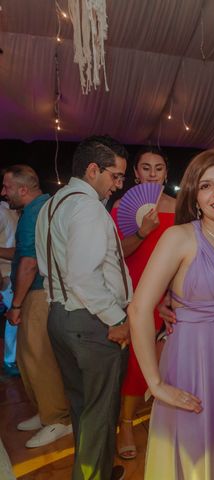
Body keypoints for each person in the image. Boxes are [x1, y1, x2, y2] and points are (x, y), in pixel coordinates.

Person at [128, 149, 214, 479]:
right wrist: (156, 384)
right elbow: (138, 310)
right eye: (206, 186)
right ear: (194, 196)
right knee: (193, 459)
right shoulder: (179, 238)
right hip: (192, 369)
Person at [35, 136, 132, 480]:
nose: (118, 186)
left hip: (60, 317)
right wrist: (117, 318)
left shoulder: (52, 203)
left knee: (82, 406)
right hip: (91, 323)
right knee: (100, 412)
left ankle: (99, 471)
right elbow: (83, 276)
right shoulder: (89, 208)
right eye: (115, 176)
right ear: (93, 170)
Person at [111, 147, 176, 460]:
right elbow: (116, 253)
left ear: (166, 173)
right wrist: (142, 231)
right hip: (136, 294)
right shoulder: (123, 206)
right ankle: (125, 423)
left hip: (169, 295)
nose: (153, 174)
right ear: (135, 173)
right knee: (136, 364)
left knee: (169, 362)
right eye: (146, 168)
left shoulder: (177, 208)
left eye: (159, 168)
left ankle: (163, 420)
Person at [2, 165, 72, 448]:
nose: (3, 192)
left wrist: (16, 305)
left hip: (39, 294)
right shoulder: (40, 208)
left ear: (22, 189)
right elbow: (21, 253)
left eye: (6, 187)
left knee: (40, 359)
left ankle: (59, 420)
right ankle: (46, 412)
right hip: (38, 293)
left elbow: (29, 264)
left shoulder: (34, 212)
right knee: (28, 359)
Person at [0, 198, 19, 376]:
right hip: (5, 273)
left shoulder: (12, 211)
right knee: (15, 315)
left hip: (11, 272)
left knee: (15, 317)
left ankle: (11, 358)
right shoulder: (2, 212)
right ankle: (10, 359)